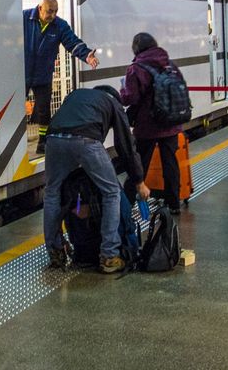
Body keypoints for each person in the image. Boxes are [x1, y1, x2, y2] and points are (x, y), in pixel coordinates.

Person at [43, 86, 149, 274]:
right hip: (86, 140)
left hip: (53, 137)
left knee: (52, 192)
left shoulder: (77, 94)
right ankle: (109, 256)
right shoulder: (114, 104)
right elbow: (125, 146)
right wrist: (139, 181)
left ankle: (55, 252)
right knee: (111, 193)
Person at [24, 0, 99, 153]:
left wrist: (86, 55)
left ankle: (42, 142)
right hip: (20, 75)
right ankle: (16, 145)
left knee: (44, 111)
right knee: (15, 111)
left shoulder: (59, 25)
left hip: (43, 76)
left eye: (55, 11)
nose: (52, 15)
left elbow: (72, 42)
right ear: (40, 8)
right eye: (49, 11)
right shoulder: (24, 18)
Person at [120, 33, 183, 214]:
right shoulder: (168, 63)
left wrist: (121, 92)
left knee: (138, 164)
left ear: (137, 48)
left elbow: (131, 97)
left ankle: (127, 203)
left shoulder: (136, 68)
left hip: (147, 125)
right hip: (170, 123)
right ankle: (174, 204)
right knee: (170, 162)